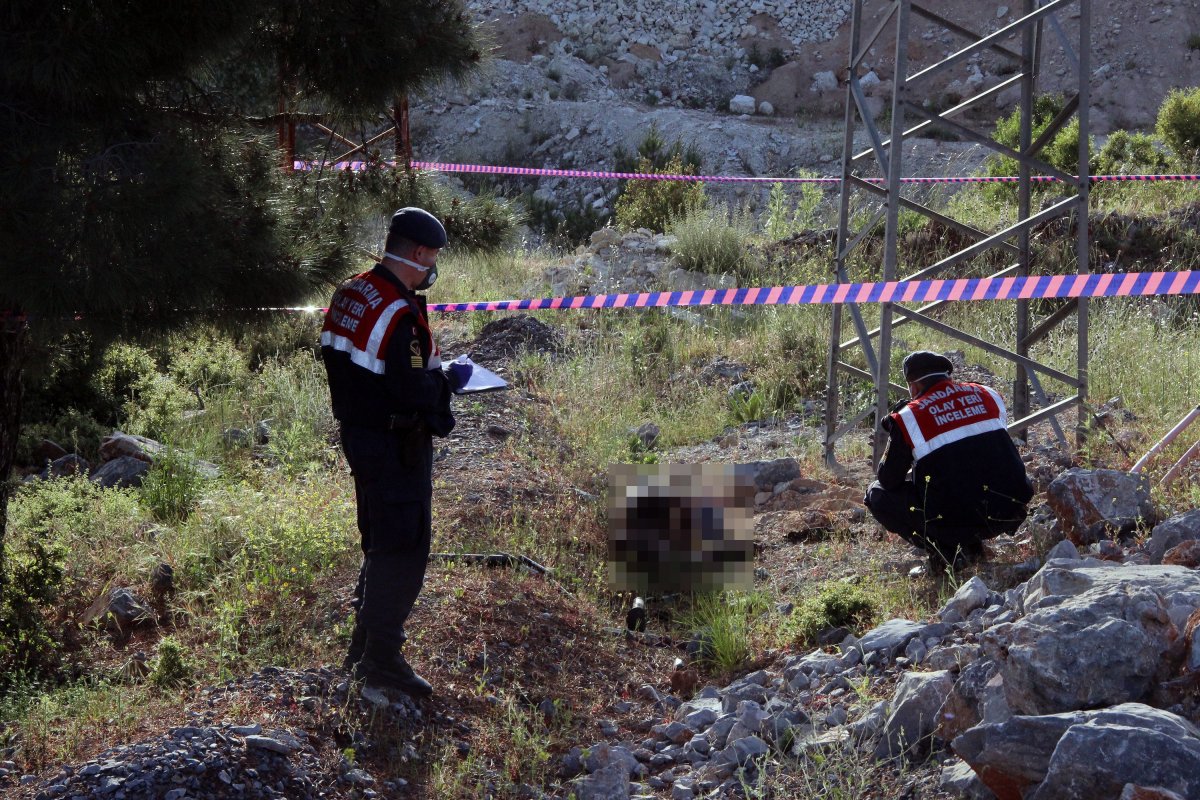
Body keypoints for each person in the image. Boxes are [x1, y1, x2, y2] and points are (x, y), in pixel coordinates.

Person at [320, 207, 470, 696]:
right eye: (433, 259)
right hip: (392, 442)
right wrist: (446, 383)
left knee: (379, 536)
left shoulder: (351, 291)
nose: (433, 269)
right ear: (420, 253)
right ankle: (380, 658)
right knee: (403, 547)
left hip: (360, 436)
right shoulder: (399, 311)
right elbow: (409, 387)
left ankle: (363, 643)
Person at [864, 351, 1034, 572]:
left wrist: (896, 433)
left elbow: (888, 480)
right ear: (948, 376)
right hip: (1010, 508)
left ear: (913, 387)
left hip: (958, 520)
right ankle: (970, 545)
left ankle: (948, 551)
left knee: (876, 495)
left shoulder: (908, 417)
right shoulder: (988, 394)